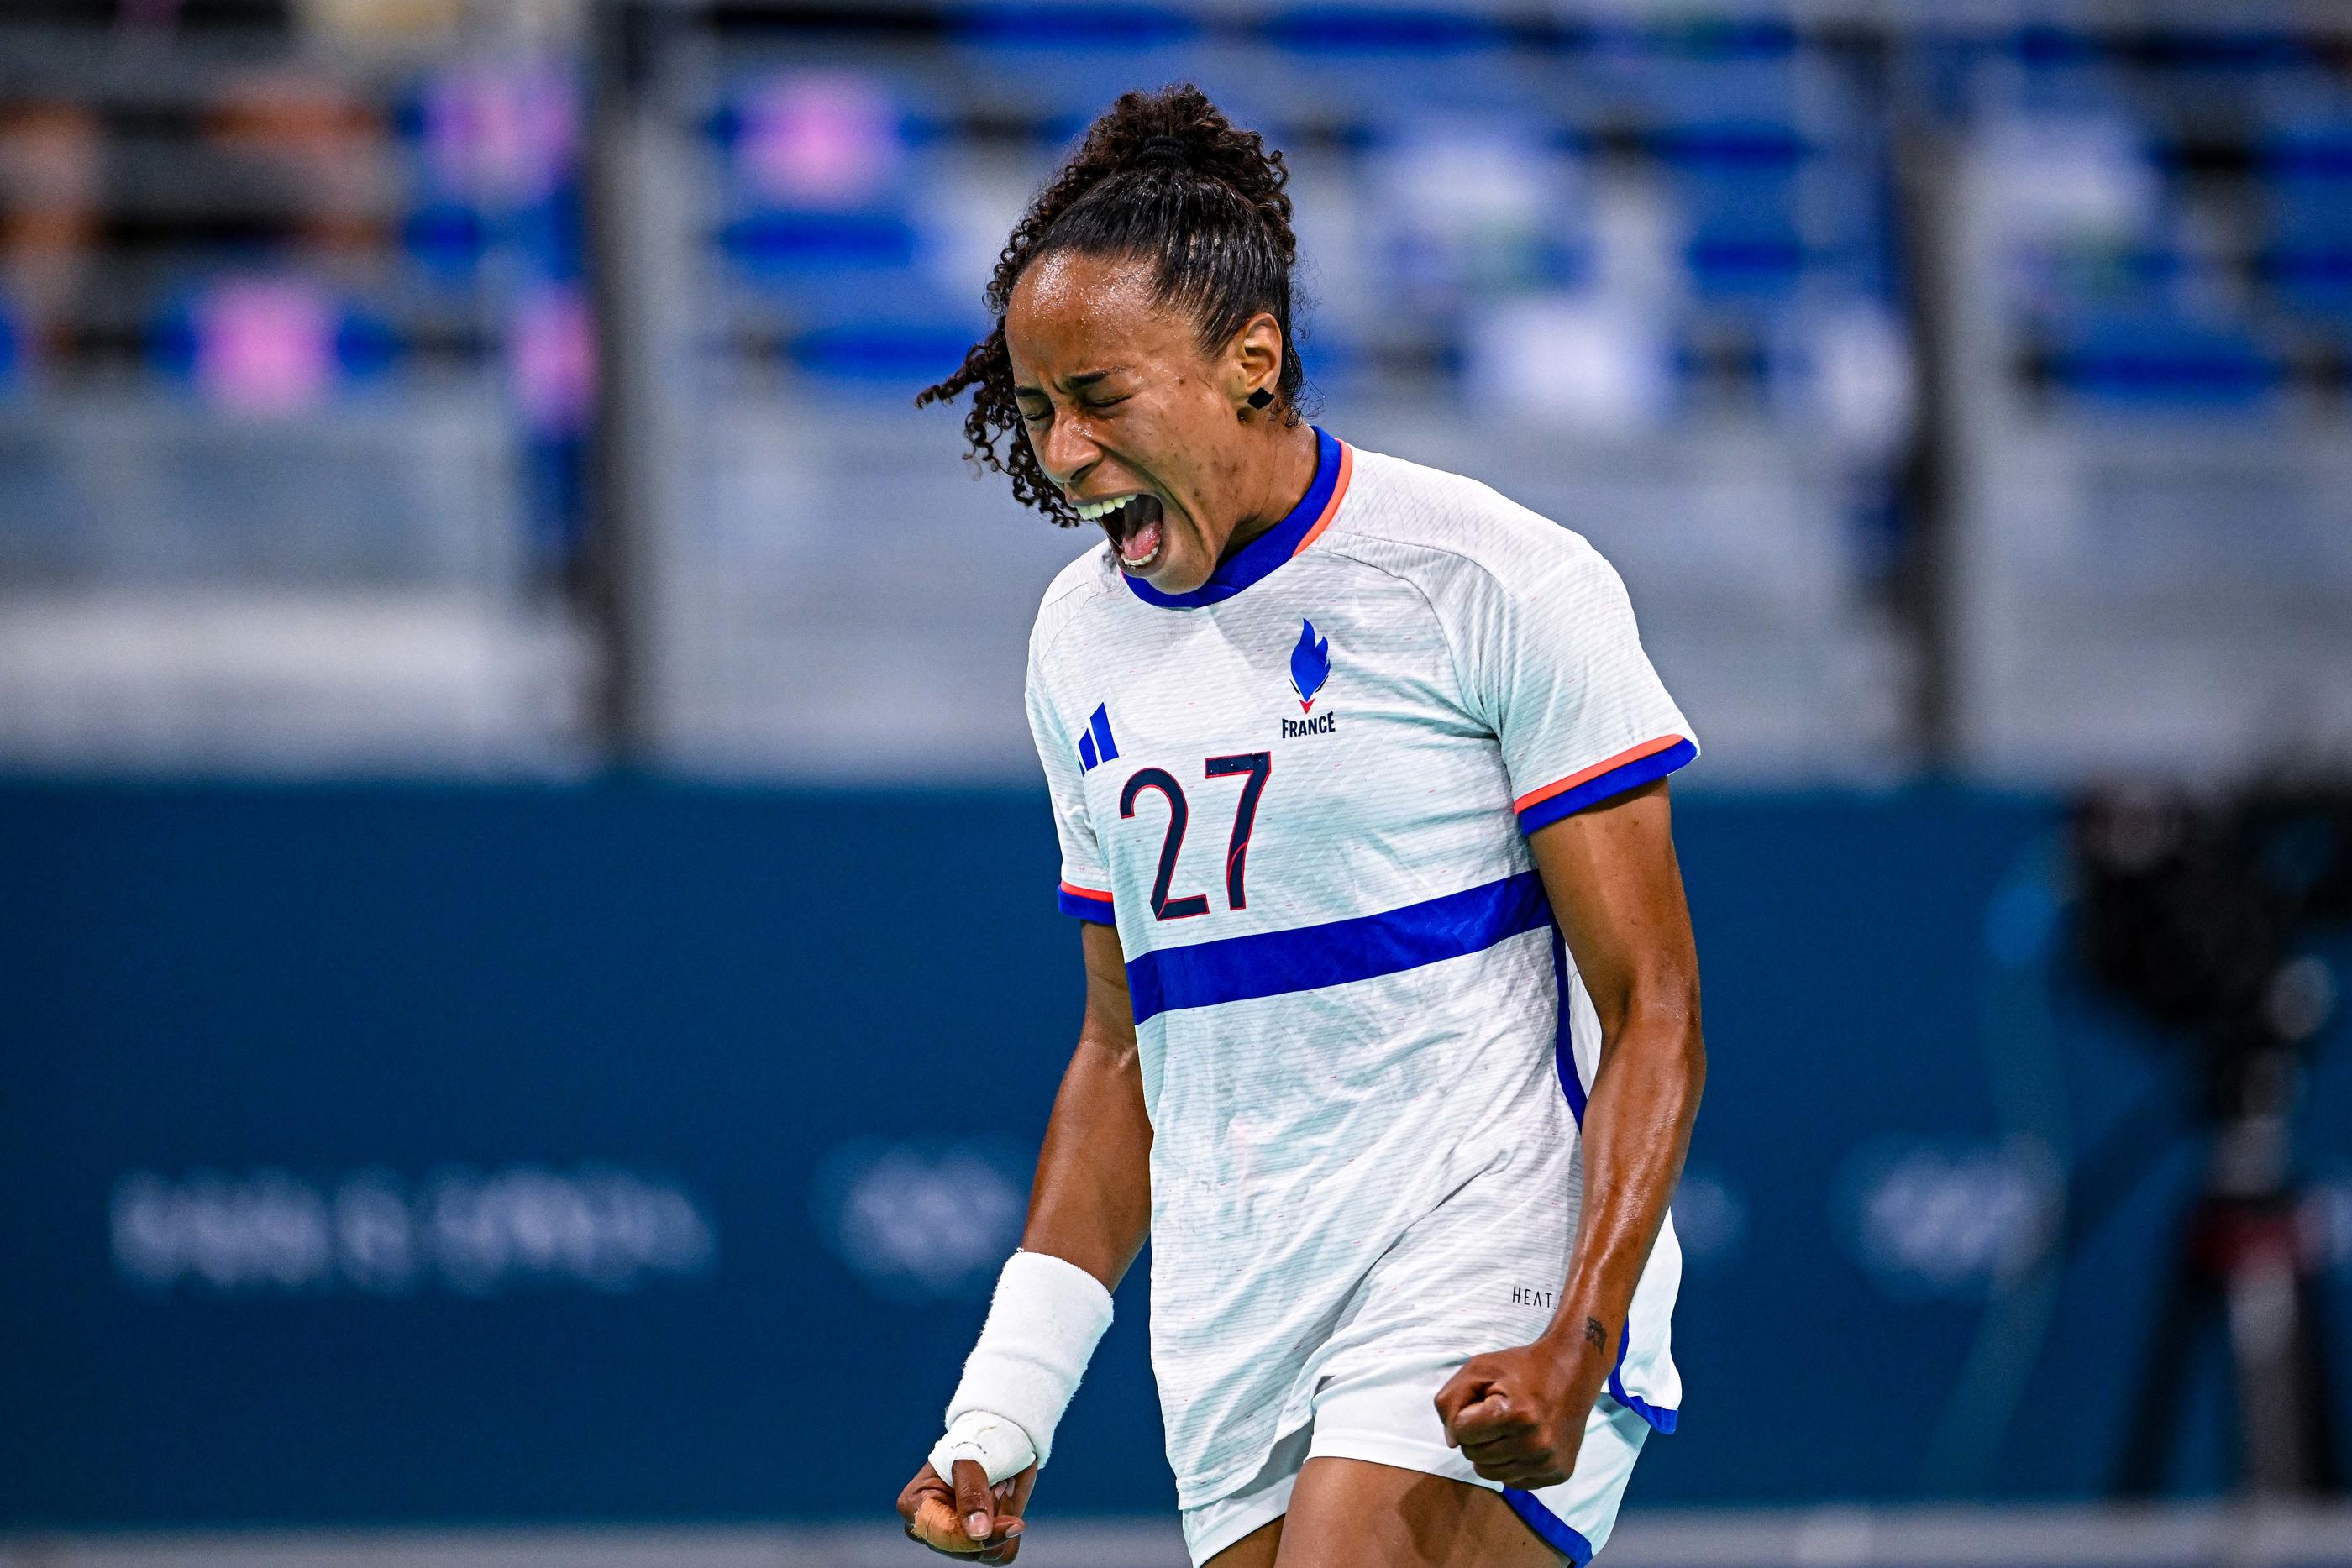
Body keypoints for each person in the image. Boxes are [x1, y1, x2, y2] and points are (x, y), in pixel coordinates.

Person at [900, 84, 1705, 1568]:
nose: (1063, 454)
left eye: (1101, 398)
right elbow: (1120, 1051)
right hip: (1238, 1306)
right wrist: (1001, 1411)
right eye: (1033, 409)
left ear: (1251, 363)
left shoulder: (1493, 581)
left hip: (1493, 1241)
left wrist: (1579, 1335)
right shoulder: (1072, 644)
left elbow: (1653, 1006)